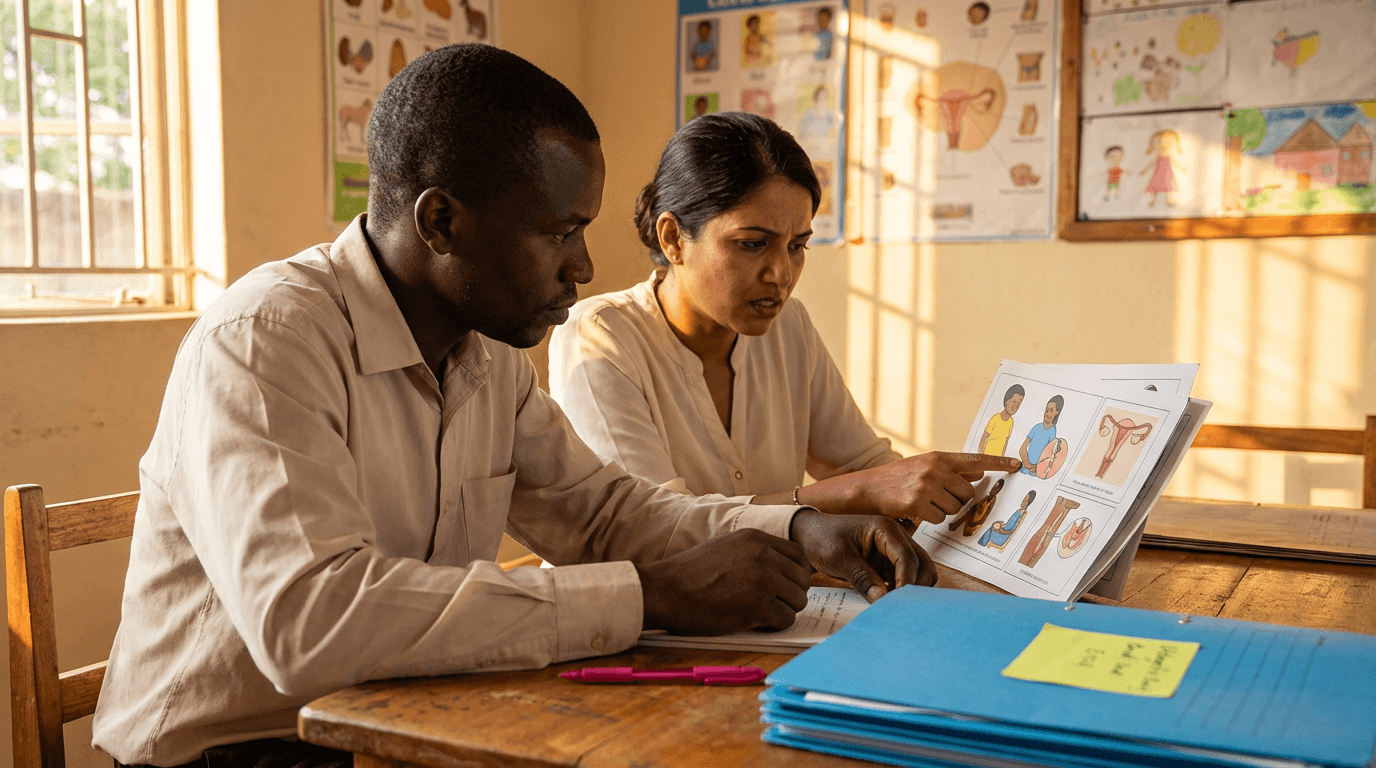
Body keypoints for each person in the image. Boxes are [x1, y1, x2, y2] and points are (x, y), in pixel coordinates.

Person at [92, 46, 920, 768]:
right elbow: (311, 624)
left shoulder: (485, 352)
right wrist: (649, 594)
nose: (586, 266)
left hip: (402, 716)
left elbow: (603, 513)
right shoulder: (267, 337)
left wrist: (793, 532)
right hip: (245, 749)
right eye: (560, 231)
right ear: (441, 221)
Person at [548, 112, 1019, 537]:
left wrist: (975, 509)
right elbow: (655, 527)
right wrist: (857, 493)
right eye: (753, 244)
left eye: (797, 246)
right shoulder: (598, 336)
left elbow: (861, 465)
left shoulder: (788, 326)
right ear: (673, 238)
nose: (782, 274)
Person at [1019, 394, 1064, 475]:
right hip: (1025, 469)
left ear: (1057, 413)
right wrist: (1027, 465)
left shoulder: (1052, 431)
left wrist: (1037, 467)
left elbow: (1049, 455)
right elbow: (1023, 448)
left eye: (1051, 411)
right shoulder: (1036, 427)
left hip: (1038, 472)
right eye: (1046, 410)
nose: (1047, 414)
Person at [978, 384, 1023, 456]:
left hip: (998, 460)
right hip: (986, 457)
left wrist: (1002, 457)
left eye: (1018, 404)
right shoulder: (995, 418)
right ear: (1007, 401)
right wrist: (981, 456)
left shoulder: (1011, 422)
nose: (1016, 406)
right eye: (1014, 402)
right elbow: (984, 438)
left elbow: (1006, 442)